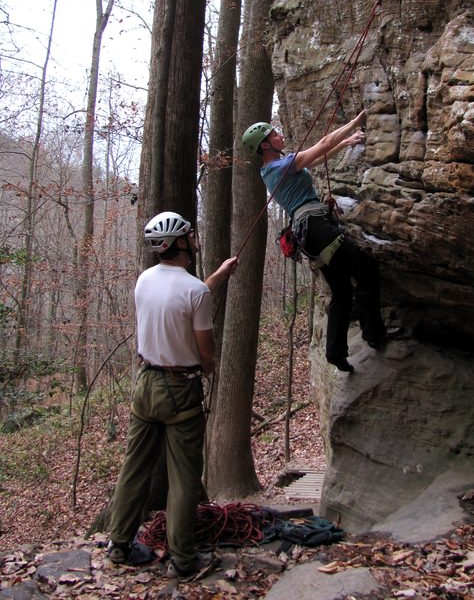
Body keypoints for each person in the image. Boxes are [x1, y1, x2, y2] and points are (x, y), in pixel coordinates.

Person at [106, 211, 238, 579]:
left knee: (135, 467)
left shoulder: (144, 280)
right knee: (184, 474)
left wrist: (218, 277)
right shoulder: (194, 291)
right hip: (180, 390)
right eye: (190, 235)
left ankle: (119, 545)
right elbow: (205, 349)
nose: (194, 239)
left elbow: (177, 300)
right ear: (180, 243)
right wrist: (207, 370)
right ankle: (183, 559)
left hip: (145, 384)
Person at [242, 110, 388, 373]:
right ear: (265, 145)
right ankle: (375, 334)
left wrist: (344, 143)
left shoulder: (274, 168)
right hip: (318, 228)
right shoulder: (280, 166)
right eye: (275, 134)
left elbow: (316, 158)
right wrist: (355, 123)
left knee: (342, 291)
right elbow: (322, 145)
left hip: (309, 235)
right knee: (365, 269)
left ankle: (335, 354)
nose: (280, 134)